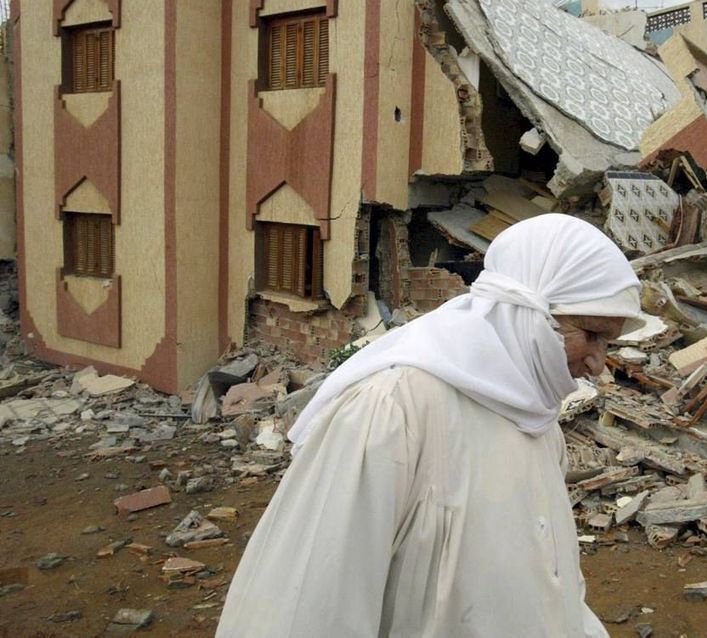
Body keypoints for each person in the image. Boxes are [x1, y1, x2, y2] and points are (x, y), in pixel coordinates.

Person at [216, 214, 646, 637]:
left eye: (608, 341)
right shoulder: (392, 409)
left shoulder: (538, 421)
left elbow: (552, 581)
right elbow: (304, 609)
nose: (598, 363)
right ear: (528, 311)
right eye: (590, 334)